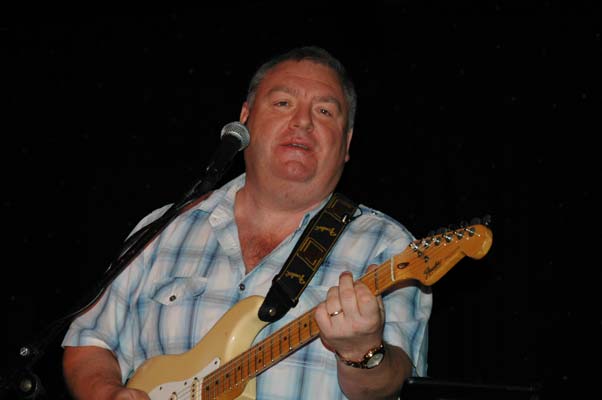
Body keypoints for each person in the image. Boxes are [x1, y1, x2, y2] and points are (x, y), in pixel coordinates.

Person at [61, 46, 432, 400]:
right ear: (244, 119)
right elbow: (90, 341)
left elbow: (391, 387)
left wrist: (362, 352)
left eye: (324, 111)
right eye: (283, 103)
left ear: (346, 142)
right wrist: (107, 392)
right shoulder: (163, 228)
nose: (303, 121)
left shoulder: (387, 246)